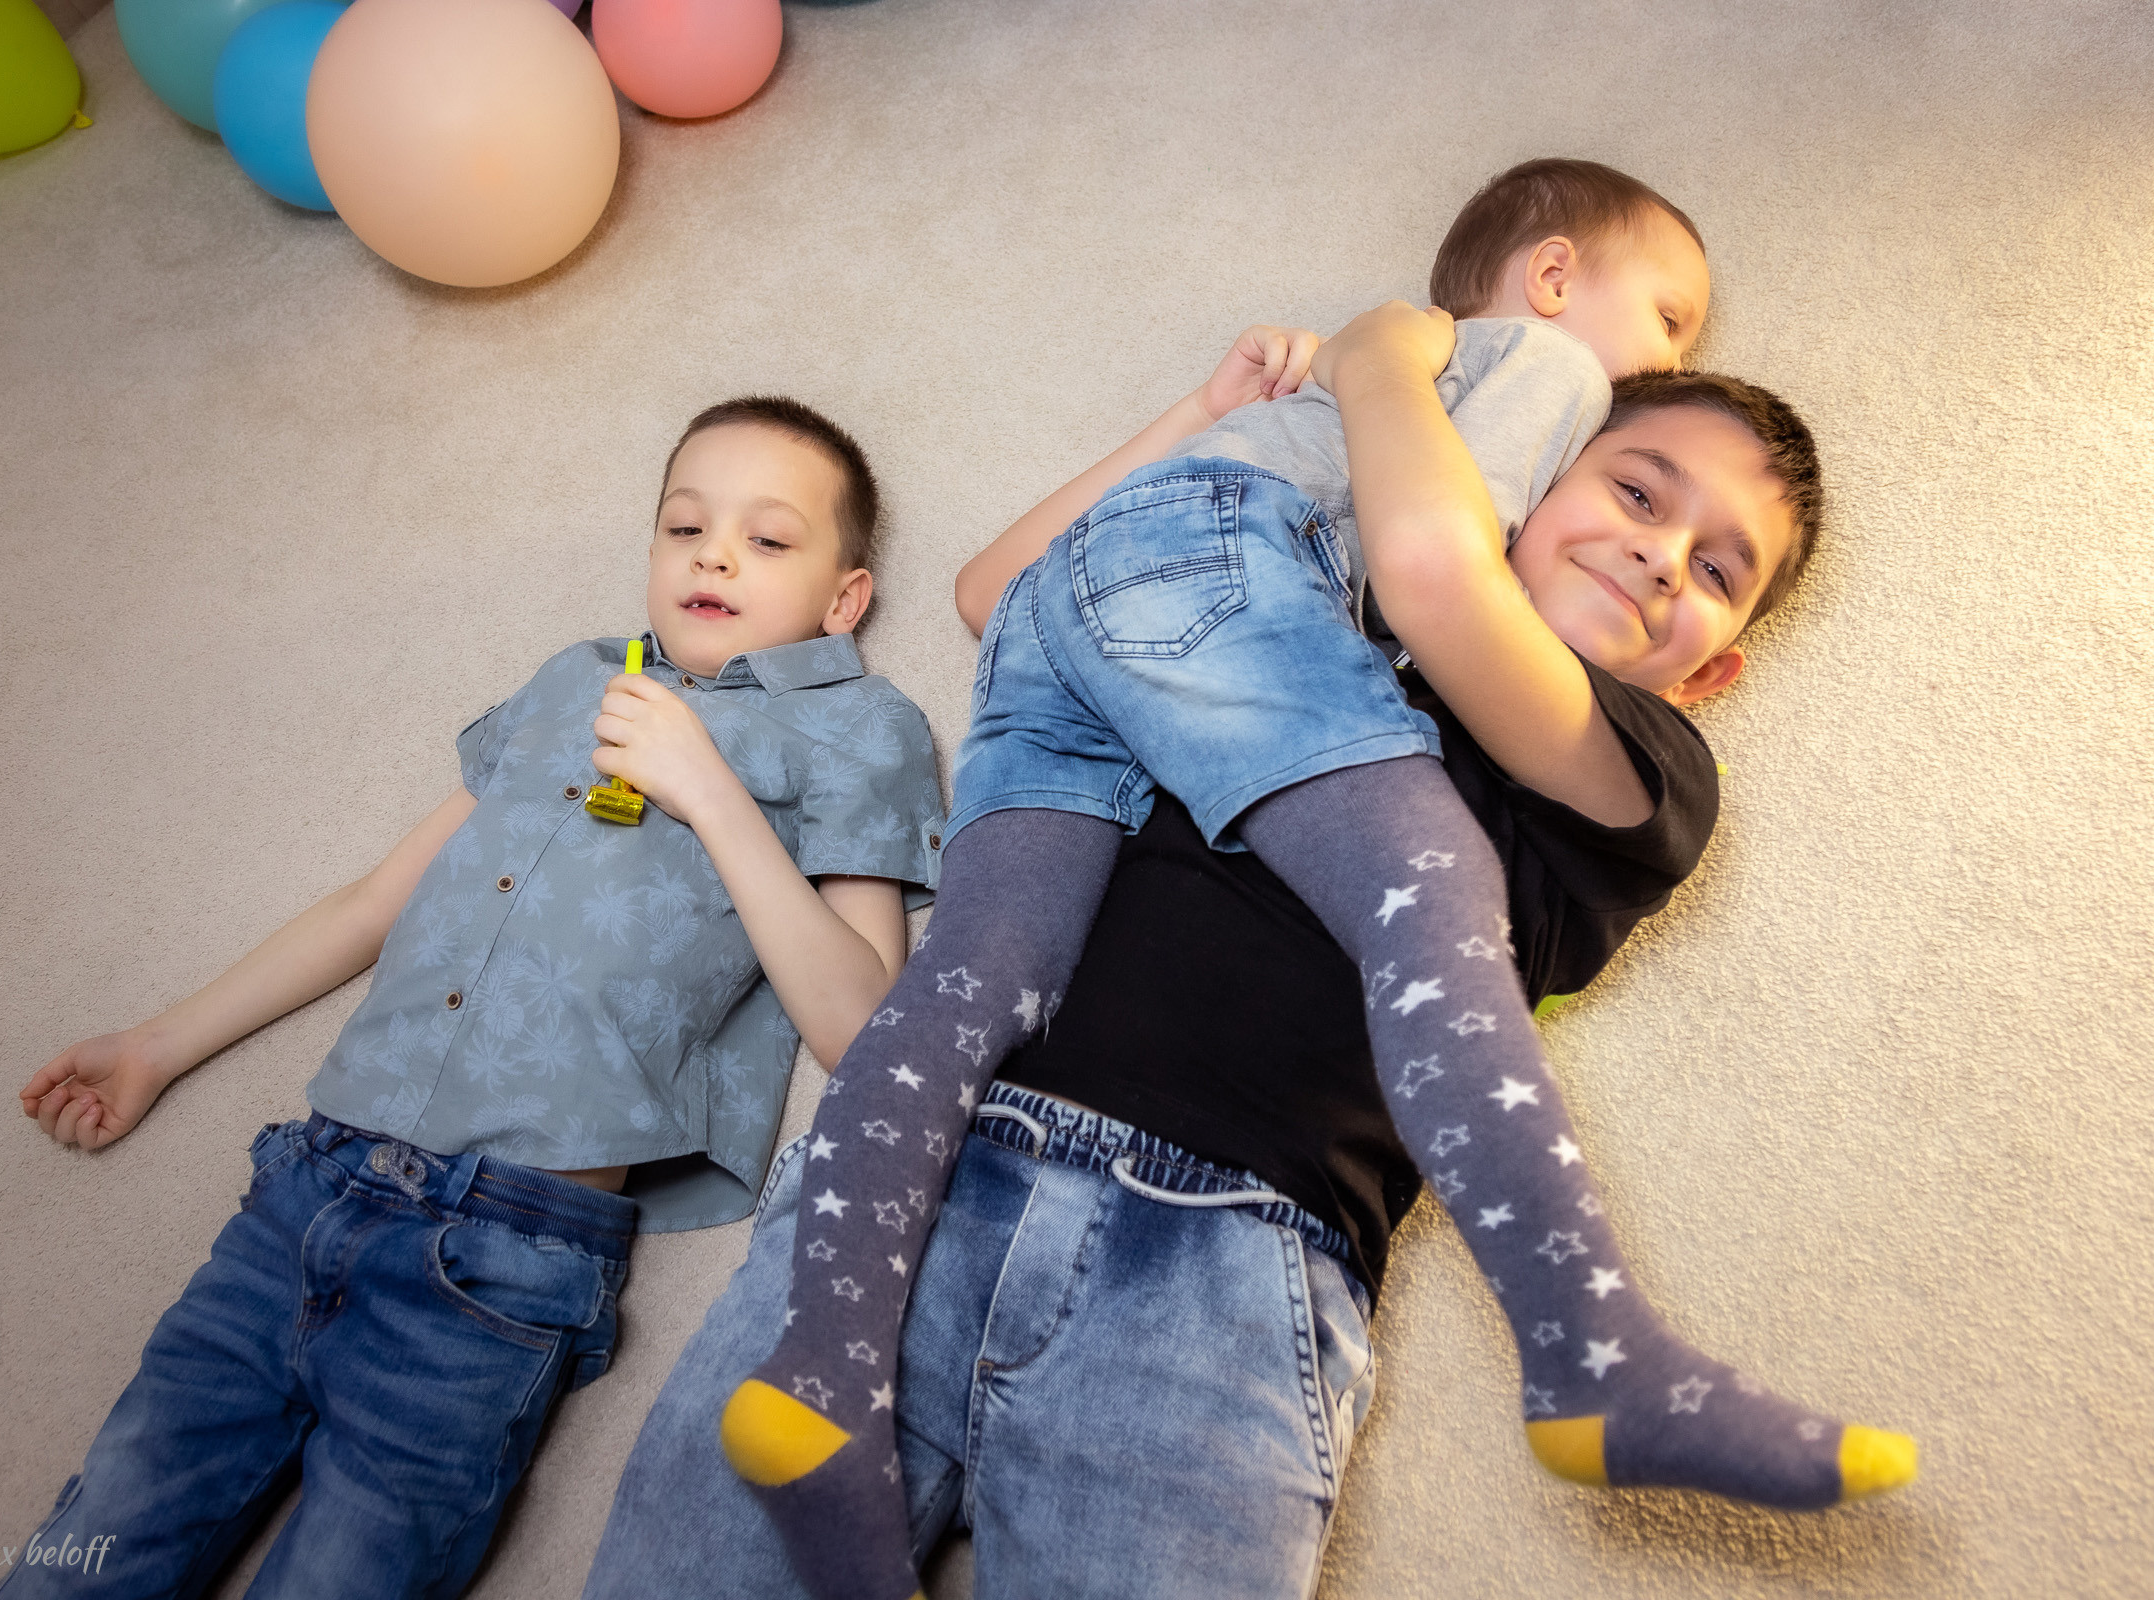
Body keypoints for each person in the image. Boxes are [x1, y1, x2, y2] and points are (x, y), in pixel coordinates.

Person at [700, 160, 1909, 1600]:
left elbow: (1409, 572)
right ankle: (1592, 1350)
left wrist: (1370, 361)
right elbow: (1014, 583)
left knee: (995, 966)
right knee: (1409, 888)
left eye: (1719, 570)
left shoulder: (1645, 768)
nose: (1659, 553)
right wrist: (1298, 390)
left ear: (1714, 672)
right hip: (952, 1160)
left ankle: (823, 1395)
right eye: (1634, 483)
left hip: (1228, 1261)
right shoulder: (1385, 507)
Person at [0, 397, 943, 1600]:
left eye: (767, 539)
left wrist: (709, 791)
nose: (712, 553)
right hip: (307, 1185)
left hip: (502, 1247)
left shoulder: (858, 724)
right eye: (685, 524)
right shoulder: (570, 681)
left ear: (845, 598)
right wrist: (157, 1041)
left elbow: (865, 1026)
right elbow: (370, 903)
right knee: (95, 1542)